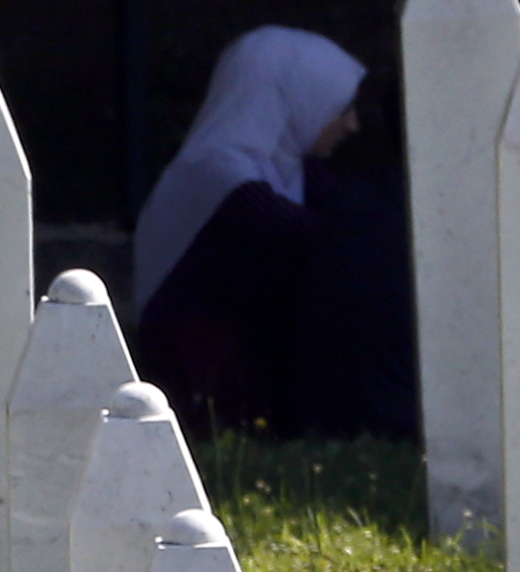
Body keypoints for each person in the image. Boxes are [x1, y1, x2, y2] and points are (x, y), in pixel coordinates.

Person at [128, 26, 419, 441]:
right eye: (340, 108)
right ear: (300, 102)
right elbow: (332, 241)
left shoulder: (292, 172)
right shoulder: (219, 176)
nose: (352, 124)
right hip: (207, 383)